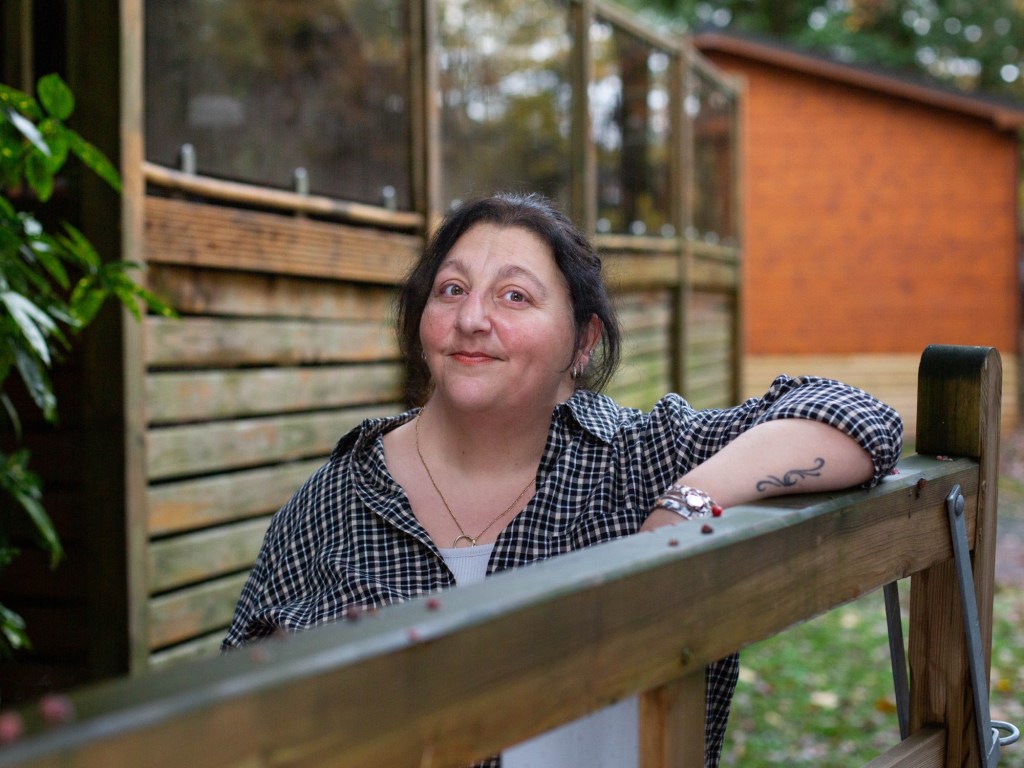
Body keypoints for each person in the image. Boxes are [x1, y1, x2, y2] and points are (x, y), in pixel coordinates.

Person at [222, 192, 903, 767]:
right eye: (451, 289)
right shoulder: (337, 500)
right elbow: (234, 717)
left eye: (514, 296)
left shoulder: (643, 456)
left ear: (582, 343)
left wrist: (683, 506)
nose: (472, 319)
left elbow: (859, 419)